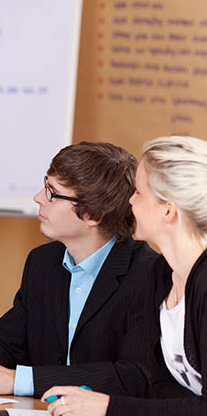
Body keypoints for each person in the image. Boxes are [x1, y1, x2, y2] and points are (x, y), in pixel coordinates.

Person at [0, 142, 156, 397]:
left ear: (93, 214)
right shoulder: (42, 261)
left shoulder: (149, 275)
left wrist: (17, 380)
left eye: (53, 193)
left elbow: (132, 376)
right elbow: (9, 343)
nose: (38, 197)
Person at [43, 136, 207, 415]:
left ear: (168, 211)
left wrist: (108, 406)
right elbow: (159, 385)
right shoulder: (161, 274)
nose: (129, 201)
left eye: (139, 193)